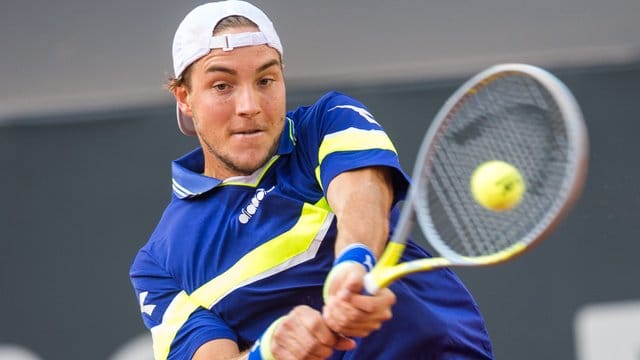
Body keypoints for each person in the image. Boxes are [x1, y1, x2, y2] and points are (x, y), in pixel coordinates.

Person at [129, 1, 494, 359]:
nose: (250, 105)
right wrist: (269, 353)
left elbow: (360, 191)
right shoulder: (158, 266)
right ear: (185, 98)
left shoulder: (325, 123)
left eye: (265, 80)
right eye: (222, 86)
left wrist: (354, 261)